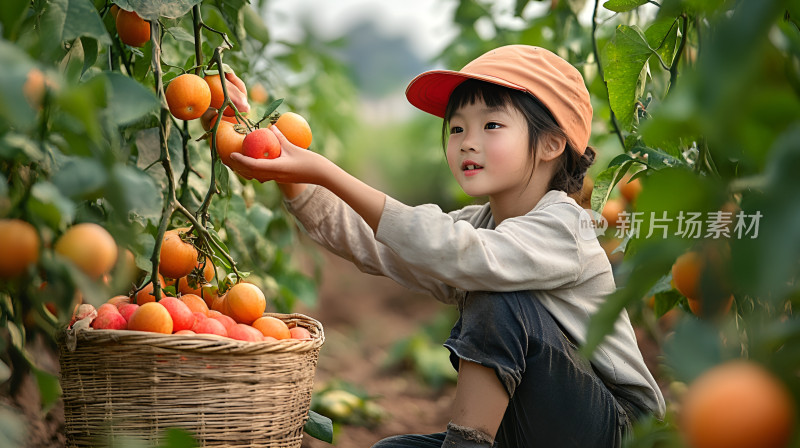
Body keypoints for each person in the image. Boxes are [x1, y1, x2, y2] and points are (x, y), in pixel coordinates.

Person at [229, 45, 666, 448]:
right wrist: (288, 172)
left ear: (552, 143)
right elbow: (376, 241)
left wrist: (328, 172)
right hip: (529, 432)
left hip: (617, 430)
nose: (466, 141)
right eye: (457, 128)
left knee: (498, 297)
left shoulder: (564, 226)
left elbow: (464, 254)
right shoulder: (482, 227)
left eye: (491, 125)